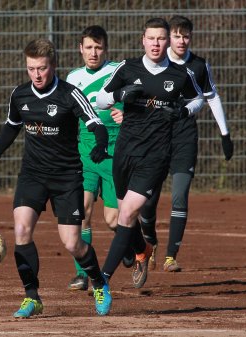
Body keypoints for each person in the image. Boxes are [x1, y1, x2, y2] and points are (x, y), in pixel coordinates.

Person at [0, 38, 112, 317]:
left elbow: (96, 124)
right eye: (31, 69)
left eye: (41, 68)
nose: (36, 75)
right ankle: (32, 297)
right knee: (21, 230)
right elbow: (9, 130)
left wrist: (100, 145)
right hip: (33, 174)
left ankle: (99, 282)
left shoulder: (70, 94)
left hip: (67, 177)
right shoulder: (20, 95)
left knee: (72, 242)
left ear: (53, 66)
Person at [96, 18, 204, 289]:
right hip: (125, 151)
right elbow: (99, 99)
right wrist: (120, 94)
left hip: (156, 156)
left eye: (161, 38)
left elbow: (200, 98)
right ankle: (142, 251)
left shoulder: (180, 74)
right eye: (151, 38)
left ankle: (103, 281)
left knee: (126, 215)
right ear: (142, 40)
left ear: (167, 42)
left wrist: (183, 111)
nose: (156, 43)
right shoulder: (127, 67)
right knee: (123, 215)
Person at [138, 15, 234, 272]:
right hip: (155, 138)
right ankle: (151, 243)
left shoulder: (199, 66)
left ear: (191, 38)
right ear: (169, 37)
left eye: (186, 36)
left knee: (179, 195)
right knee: (147, 202)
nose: (182, 41)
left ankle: (171, 256)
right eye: (177, 36)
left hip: (184, 138)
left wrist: (225, 134)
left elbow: (210, 98)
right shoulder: (156, 62)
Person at [65, 25, 135, 291]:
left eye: (98, 47)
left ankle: (128, 241)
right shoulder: (73, 78)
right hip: (84, 153)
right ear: (80, 49)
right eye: (89, 47)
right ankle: (82, 272)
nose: (93, 53)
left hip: (115, 153)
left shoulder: (120, 71)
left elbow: (137, 101)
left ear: (106, 49)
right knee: (82, 210)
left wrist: (127, 115)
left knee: (112, 219)